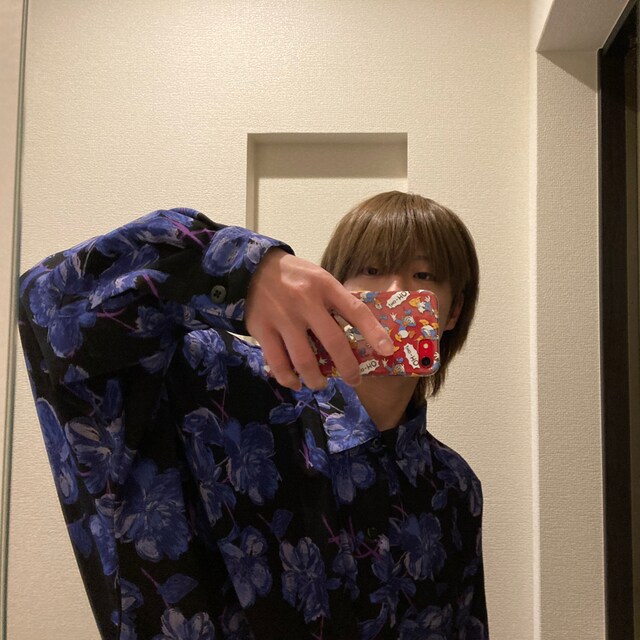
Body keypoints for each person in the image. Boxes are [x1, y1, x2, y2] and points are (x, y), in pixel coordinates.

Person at [18, 191, 487, 640]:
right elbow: (46, 309)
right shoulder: (218, 387)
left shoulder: (454, 488)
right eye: (371, 269)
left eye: (424, 275)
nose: (395, 290)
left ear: (453, 312)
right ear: (334, 291)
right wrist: (244, 272)